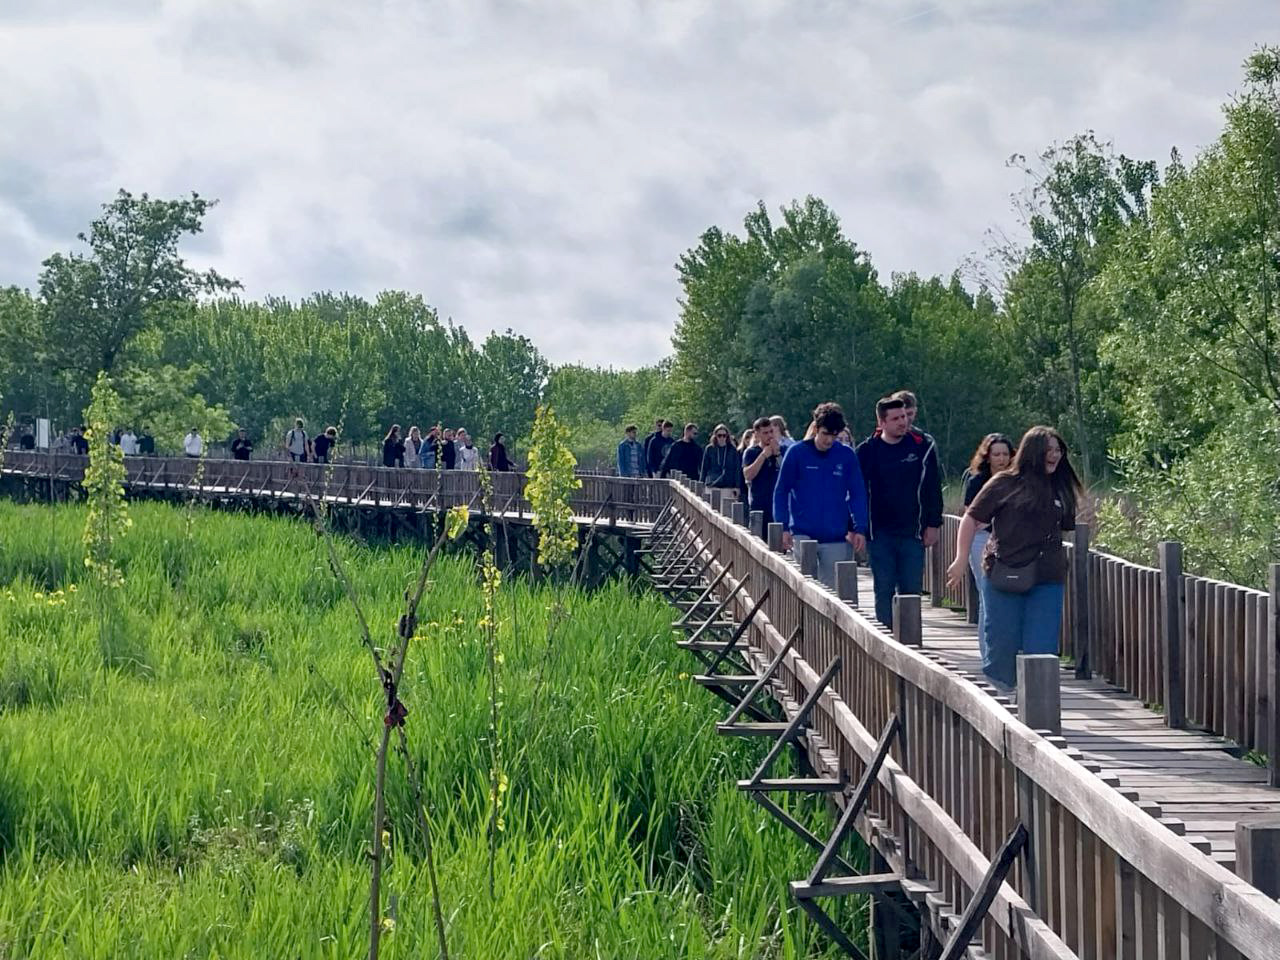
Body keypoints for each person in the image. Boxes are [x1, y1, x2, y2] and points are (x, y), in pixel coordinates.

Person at [946, 427, 1081, 691]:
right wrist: (962, 558)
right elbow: (971, 519)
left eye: (1058, 450)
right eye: (1049, 450)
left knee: (1041, 646)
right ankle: (1005, 695)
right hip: (1004, 572)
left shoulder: (1060, 487)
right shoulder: (1004, 483)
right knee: (1001, 643)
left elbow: (1065, 525)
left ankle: (1037, 706)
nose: (1055, 455)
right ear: (1033, 453)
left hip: (1046, 575)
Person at [855, 396, 943, 630]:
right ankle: (886, 642)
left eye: (904, 416)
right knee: (883, 587)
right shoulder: (867, 451)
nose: (902, 422)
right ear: (881, 422)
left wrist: (933, 523)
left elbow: (933, 486)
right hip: (879, 532)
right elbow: (856, 491)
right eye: (895, 419)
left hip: (912, 531)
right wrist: (856, 528)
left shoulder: (922, 445)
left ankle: (911, 642)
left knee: (910, 589)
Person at [772, 402, 869, 589]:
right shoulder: (797, 453)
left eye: (834, 436)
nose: (829, 441)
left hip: (835, 536)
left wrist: (860, 527)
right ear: (815, 429)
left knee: (831, 594)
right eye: (825, 434)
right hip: (802, 533)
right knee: (803, 588)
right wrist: (783, 526)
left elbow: (857, 493)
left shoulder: (846, 455)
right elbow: (781, 490)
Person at [959, 432, 1015, 664]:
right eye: (996, 454)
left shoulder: (1017, 480)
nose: (1001, 459)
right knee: (987, 593)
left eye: (1005, 454)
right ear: (987, 456)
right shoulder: (977, 481)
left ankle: (1006, 649)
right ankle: (988, 654)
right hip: (981, 540)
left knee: (1008, 594)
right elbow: (970, 516)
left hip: (1011, 542)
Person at [743, 416, 782, 530]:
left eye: (771, 432)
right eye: (765, 433)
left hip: (776, 506)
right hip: (758, 506)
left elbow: (787, 473)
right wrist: (763, 455)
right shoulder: (751, 452)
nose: (770, 435)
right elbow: (748, 475)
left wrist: (777, 454)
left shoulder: (781, 450)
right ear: (757, 434)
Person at [700, 423, 742, 494]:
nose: (722, 438)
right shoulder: (709, 449)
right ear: (715, 436)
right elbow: (704, 467)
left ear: (727, 436)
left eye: (724, 435)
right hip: (712, 484)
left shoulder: (732, 450)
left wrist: (737, 486)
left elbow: (737, 469)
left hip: (728, 485)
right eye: (719, 435)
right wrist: (701, 483)